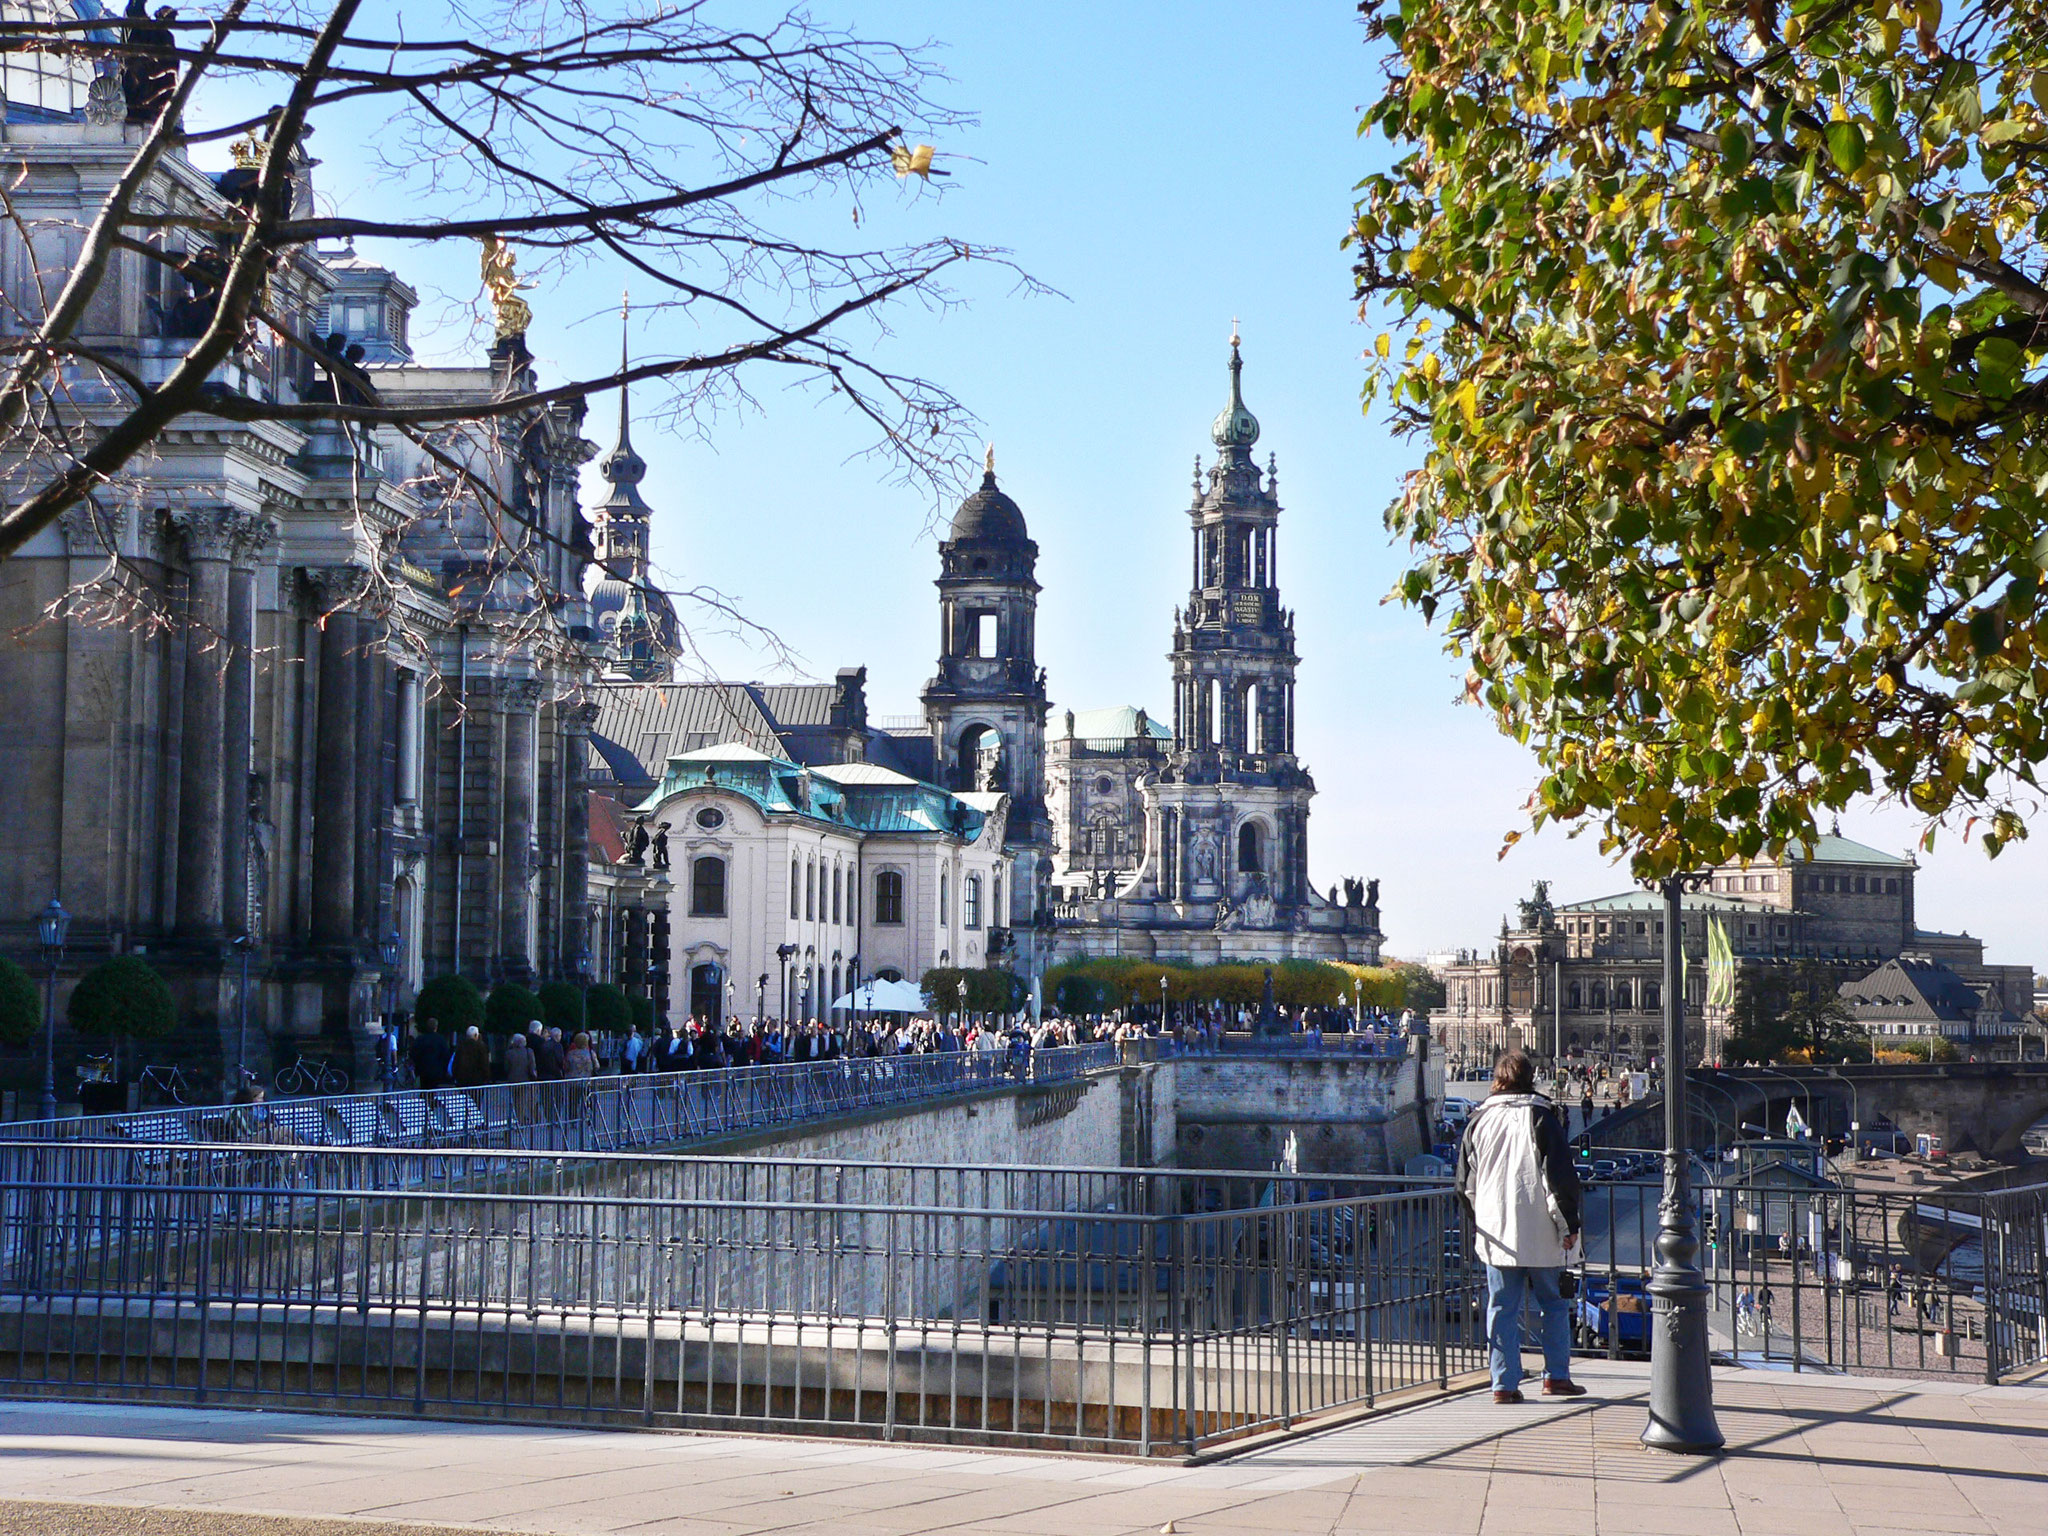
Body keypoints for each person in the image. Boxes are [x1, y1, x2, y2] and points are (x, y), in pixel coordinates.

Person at [1454, 1048, 1585, 1404]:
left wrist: (1480, 1222)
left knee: (1501, 1308)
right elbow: (1559, 1180)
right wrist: (1569, 1226)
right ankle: (1556, 1377)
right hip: (1543, 1230)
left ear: (1497, 1079)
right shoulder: (1542, 1117)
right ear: (1530, 1078)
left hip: (1497, 1233)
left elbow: (1465, 1185)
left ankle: (1503, 1383)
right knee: (1554, 1305)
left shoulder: (1478, 1120)